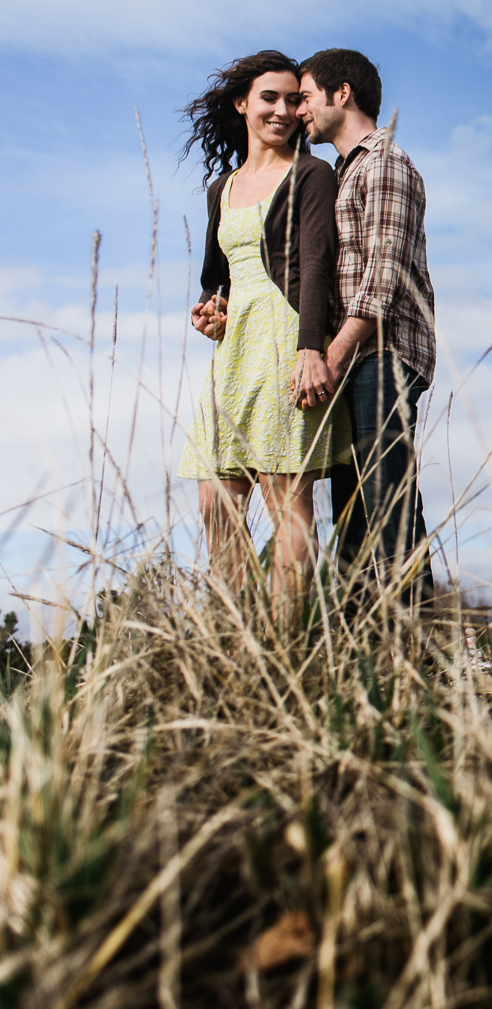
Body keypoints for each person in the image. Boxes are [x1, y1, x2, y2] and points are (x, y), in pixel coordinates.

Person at [176, 50, 343, 613]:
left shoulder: (311, 174)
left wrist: (311, 349)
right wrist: (209, 311)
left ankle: (285, 650)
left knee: (286, 503)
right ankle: (232, 642)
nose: (282, 109)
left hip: (286, 341)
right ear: (242, 103)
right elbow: (215, 277)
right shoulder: (219, 189)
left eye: (294, 99)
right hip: (232, 352)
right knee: (215, 502)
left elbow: (317, 264)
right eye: (269, 97)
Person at [296, 49, 438, 607]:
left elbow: (383, 278)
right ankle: (362, 663)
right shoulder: (341, 172)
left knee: (387, 499)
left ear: (342, 93)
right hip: (354, 359)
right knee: (352, 516)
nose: (300, 109)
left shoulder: (384, 163)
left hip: (383, 354)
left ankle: (418, 648)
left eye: (306, 96)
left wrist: (333, 353)